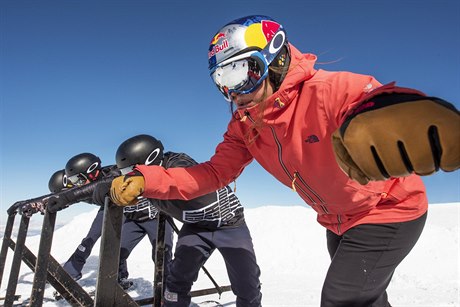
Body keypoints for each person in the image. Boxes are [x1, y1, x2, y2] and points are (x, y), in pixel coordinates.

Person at [109, 15, 460, 306]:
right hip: (338, 220)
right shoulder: (246, 125)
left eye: (240, 74)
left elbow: (371, 99)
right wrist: (148, 179)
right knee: (367, 295)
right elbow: (215, 173)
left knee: (344, 298)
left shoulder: (326, 92)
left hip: (389, 209)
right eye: (222, 81)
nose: (234, 93)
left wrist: (395, 113)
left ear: (273, 60)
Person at [95, 134, 262, 306]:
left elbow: (184, 182)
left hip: (229, 225)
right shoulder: (139, 180)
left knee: (246, 284)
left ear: (150, 160)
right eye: (126, 172)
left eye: (131, 171)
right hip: (195, 227)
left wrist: (146, 180)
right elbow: (105, 178)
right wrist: (102, 190)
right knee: (176, 282)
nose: (129, 176)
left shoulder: (179, 163)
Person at [45, 152, 135, 288]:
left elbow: (100, 185)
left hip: (129, 208)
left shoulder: (113, 172)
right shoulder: (81, 185)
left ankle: (120, 276)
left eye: (78, 180)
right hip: (109, 206)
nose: (77, 185)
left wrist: (68, 197)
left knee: (116, 243)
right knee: (90, 239)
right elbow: (77, 195)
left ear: (91, 172)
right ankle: (70, 272)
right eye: (74, 182)